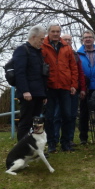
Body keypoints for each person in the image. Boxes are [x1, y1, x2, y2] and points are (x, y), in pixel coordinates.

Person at [41, 23, 78, 153]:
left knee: (67, 115)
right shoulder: (43, 46)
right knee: (49, 117)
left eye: (58, 31)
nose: (56, 34)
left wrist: (74, 84)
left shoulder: (66, 47)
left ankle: (66, 142)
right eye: (53, 31)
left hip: (65, 86)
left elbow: (73, 67)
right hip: (50, 87)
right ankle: (51, 143)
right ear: (48, 32)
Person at [13, 25, 48, 141]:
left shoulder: (38, 52)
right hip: (28, 93)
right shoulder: (22, 50)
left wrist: (44, 94)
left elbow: (41, 74)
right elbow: (20, 72)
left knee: (36, 122)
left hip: (38, 93)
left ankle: (34, 147)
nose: (43, 42)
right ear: (33, 37)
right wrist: (25, 91)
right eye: (41, 39)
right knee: (26, 121)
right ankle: (22, 149)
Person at [53, 34, 87, 148]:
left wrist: (82, 88)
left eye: (69, 40)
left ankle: (69, 138)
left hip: (73, 89)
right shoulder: (56, 53)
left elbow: (79, 73)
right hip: (60, 89)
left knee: (72, 115)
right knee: (57, 115)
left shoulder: (76, 55)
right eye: (65, 39)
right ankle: (55, 138)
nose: (67, 41)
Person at [77, 30, 95, 144]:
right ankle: (83, 137)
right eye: (85, 37)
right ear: (82, 40)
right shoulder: (78, 54)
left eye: (90, 37)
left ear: (94, 39)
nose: (88, 39)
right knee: (84, 113)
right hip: (84, 87)